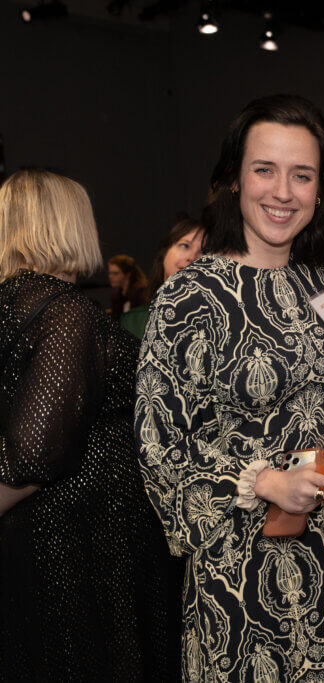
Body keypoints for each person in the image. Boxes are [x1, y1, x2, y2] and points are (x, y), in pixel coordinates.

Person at [134, 94, 324, 680]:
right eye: (265, 170)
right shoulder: (190, 297)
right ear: (234, 179)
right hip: (245, 563)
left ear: (320, 187)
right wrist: (262, 480)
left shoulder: (316, 285)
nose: (283, 192)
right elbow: (159, 447)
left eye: (301, 175)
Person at [0, 169, 179, 679]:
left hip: (52, 542)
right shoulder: (65, 315)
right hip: (85, 549)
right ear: (69, 224)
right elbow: (32, 456)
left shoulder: (15, 306)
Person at [120, 215, 205, 339]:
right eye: (185, 246)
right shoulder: (133, 321)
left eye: (203, 252)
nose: (192, 257)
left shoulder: (213, 326)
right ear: (165, 253)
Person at [107, 252, 148, 319]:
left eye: (115, 273)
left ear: (127, 274)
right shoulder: (116, 296)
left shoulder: (141, 293)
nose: (110, 276)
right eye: (109, 273)